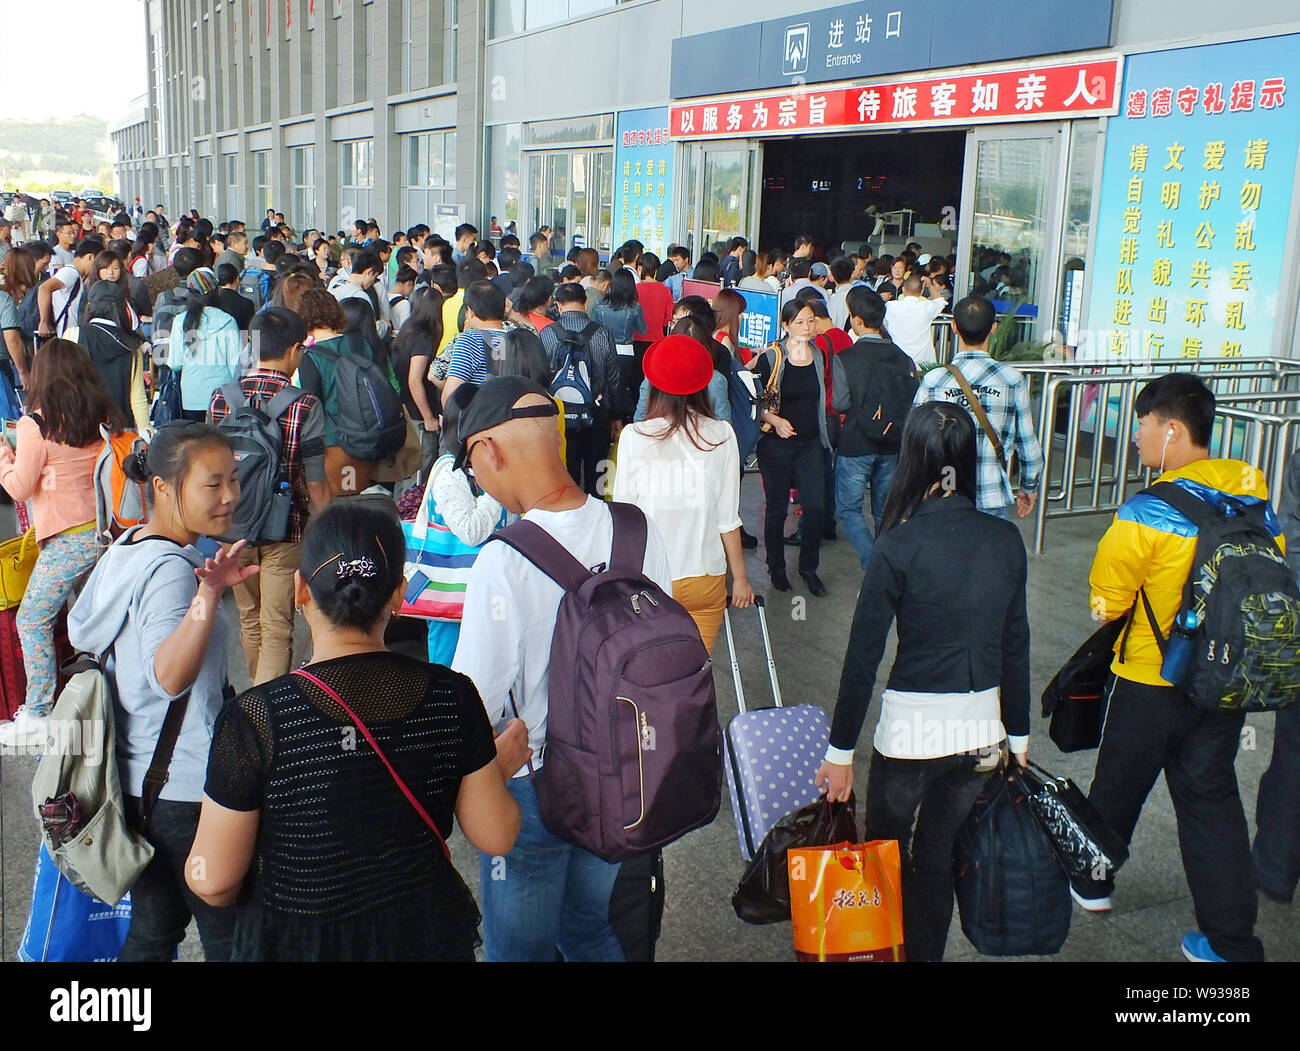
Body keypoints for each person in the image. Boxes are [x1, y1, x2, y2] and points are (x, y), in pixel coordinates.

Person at [184, 499, 522, 960]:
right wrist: (492, 772)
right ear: (400, 594)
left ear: (300, 591)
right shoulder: (451, 695)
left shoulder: (257, 718)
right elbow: (495, 835)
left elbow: (213, 879)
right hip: (420, 933)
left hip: (300, 943)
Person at [450, 375, 673, 961]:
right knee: (588, 930)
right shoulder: (638, 529)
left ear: (488, 451)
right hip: (624, 780)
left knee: (517, 952)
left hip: (536, 793)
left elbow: (475, 701)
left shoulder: (503, 560)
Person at [816, 401, 1029, 962]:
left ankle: (883, 948)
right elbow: (1016, 646)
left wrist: (840, 752)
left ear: (912, 459)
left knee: (885, 855)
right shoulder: (1004, 540)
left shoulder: (898, 545)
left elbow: (862, 660)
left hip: (908, 740)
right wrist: (1021, 738)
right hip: (982, 737)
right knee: (938, 856)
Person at [1082, 374, 1271, 962]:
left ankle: (1091, 882)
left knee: (1117, 786)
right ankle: (1231, 943)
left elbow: (1106, 601)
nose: (1134, 436)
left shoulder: (1147, 510)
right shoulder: (1250, 492)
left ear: (1172, 430)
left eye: (1141, 424)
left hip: (1150, 680)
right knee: (1212, 805)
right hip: (1222, 680)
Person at [66, 423, 252, 962]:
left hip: (137, 780)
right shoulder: (173, 572)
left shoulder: (129, 545)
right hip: (187, 788)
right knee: (234, 938)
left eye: (234, 481)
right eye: (213, 484)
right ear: (166, 489)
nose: (230, 497)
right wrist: (207, 595)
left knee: (154, 932)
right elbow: (166, 676)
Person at [0, 341, 123, 745]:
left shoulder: (37, 424)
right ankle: (112, 701)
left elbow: (20, 488)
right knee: (96, 622)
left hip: (67, 542)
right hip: (106, 535)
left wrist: (5, 458)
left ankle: (37, 714)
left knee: (31, 620)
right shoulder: (101, 413)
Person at [208, 308, 331, 685]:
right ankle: (268, 714)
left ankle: (253, 707)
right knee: (277, 626)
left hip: (232, 526)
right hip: (286, 527)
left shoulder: (222, 398)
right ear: (295, 350)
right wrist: (324, 528)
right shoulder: (303, 405)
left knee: (250, 619)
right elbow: (315, 482)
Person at [613, 334, 753, 651]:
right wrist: (741, 579)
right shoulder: (723, 435)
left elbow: (626, 519)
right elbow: (728, 519)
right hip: (707, 578)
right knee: (695, 676)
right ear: (703, 382)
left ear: (654, 384)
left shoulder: (634, 437)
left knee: (655, 675)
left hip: (652, 581)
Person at [913, 296, 1043, 521]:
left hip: (945, 492)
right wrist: (1028, 486)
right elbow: (1027, 443)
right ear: (993, 328)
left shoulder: (934, 380)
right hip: (991, 494)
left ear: (954, 327)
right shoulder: (1011, 379)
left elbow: (914, 441)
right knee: (987, 555)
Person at [422, 382, 511, 665]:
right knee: (449, 669)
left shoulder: (473, 466)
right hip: (452, 590)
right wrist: (496, 487)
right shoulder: (450, 472)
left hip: (481, 588)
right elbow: (471, 532)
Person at [832, 286, 918, 569]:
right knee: (885, 510)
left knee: (848, 509)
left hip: (856, 443)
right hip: (894, 443)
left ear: (856, 320)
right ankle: (888, 562)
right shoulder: (904, 358)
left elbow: (841, 403)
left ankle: (873, 561)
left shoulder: (846, 358)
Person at [752, 300, 832, 595]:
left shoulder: (820, 355)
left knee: (815, 507)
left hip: (810, 443)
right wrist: (774, 419)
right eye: (799, 322)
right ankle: (776, 567)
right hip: (776, 445)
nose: (807, 327)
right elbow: (753, 402)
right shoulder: (772, 358)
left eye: (811, 321)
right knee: (776, 510)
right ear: (785, 326)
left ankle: (809, 568)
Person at [539, 282, 624, 496]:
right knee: (596, 476)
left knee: (566, 476)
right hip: (597, 415)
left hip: (560, 417)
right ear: (585, 303)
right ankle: (597, 517)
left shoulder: (547, 334)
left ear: (558, 305)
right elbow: (613, 377)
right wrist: (616, 415)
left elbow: (541, 376)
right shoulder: (602, 334)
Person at [73, 280, 151, 432]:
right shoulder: (133, 345)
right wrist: (145, 434)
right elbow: (138, 400)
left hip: (82, 427)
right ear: (122, 309)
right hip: (119, 431)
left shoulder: (75, 334)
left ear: (90, 305)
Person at [170, 267, 245, 422]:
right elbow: (236, 366)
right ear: (216, 291)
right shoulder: (227, 321)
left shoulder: (180, 321)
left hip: (191, 397)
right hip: (221, 398)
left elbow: (174, 363)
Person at [391, 285, 445, 482]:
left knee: (404, 471)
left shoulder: (406, 330)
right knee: (420, 472)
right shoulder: (423, 338)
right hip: (418, 415)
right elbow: (414, 380)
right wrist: (428, 417)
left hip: (403, 410)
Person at [37, 237, 98, 341]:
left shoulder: (74, 274)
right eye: (97, 264)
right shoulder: (70, 273)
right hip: (66, 336)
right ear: (90, 257)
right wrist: (44, 322)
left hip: (68, 335)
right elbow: (44, 288)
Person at [884, 275, 946, 369]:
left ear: (903, 289)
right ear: (921, 291)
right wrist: (930, 286)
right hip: (924, 363)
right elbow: (941, 301)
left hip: (898, 362)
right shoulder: (926, 307)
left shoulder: (891, 307)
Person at [1, 245, 38, 388]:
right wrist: (23, 371)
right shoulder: (31, 293)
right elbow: (12, 337)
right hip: (23, 355)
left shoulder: (5, 291)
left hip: (9, 357)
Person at [215, 262, 255, 331]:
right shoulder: (246, 303)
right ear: (237, 278)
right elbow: (253, 332)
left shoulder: (210, 301)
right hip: (240, 340)